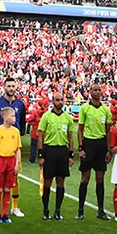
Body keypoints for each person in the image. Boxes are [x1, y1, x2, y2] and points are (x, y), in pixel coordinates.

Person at [0, 78, 26, 218]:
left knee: (14, 178)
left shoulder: (20, 104)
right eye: (9, 86)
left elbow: (23, 122)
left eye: (13, 86)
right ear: (4, 87)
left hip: (13, 146)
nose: (11, 88)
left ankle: (15, 207)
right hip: (0, 146)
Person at [76, 83, 112, 221]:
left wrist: (108, 150)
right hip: (88, 143)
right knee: (85, 178)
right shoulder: (84, 108)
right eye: (94, 90)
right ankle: (80, 210)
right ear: (90, 92)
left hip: (101, 145)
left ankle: (101, 210)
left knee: (100, 178)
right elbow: (80, 129)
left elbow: (108, 131)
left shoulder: (105, 110)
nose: (97, 92)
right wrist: (81, 147)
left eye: (99, 90)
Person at [37, 91, 75, 220]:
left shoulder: (67, 118)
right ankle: (45, 210)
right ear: (53, 101)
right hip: (49, 151)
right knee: (48, 181)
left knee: (61, 181)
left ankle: (58, 210)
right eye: (57, 100)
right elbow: (40, 136)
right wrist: (41, 155)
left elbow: (70, 138)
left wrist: (70, 155)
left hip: (62, 152)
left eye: (61, 100)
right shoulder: (46, 116)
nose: (59, 102)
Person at [0, 107, 21, 223]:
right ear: (6, 117)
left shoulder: (16, 131)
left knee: (7, 188)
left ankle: (5, 214)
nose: (14, 118)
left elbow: (18, 149)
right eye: (13, 116)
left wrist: (17, 164)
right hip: (0, 160)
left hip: (11, 161)